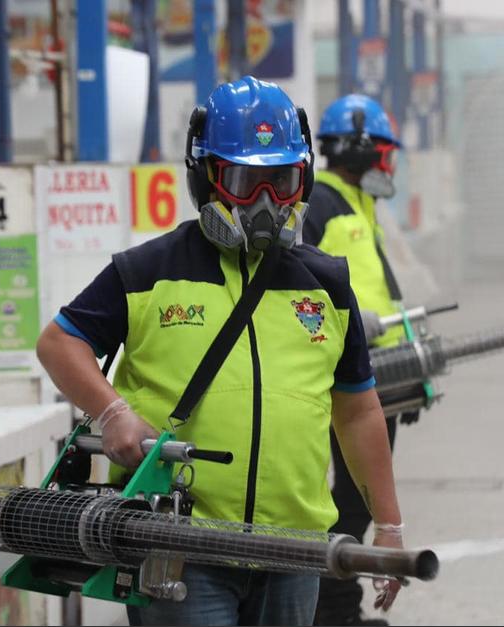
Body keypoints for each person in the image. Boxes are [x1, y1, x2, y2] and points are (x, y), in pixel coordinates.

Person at [36, 76, 404, 626]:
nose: (265, 203)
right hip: (180, 547)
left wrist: (390, 525)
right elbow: (59, 342)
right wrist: (112, 411)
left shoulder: (326, 286)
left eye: (281, 182)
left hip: (294, 550)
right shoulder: (147, 273)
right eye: (244, 181)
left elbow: (357, 411)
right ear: (206, 178)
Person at [305, 94, 409, 627]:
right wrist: (348, 322)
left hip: (377, 373)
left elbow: (377, 289)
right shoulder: (322, 204)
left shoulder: (357, 205)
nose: (388, 164)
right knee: (345, 507)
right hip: (343, 380)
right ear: (362, 148)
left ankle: (340, 611)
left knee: (357, 504)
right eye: (384, 152)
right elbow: (297, 281)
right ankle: (333, 614)